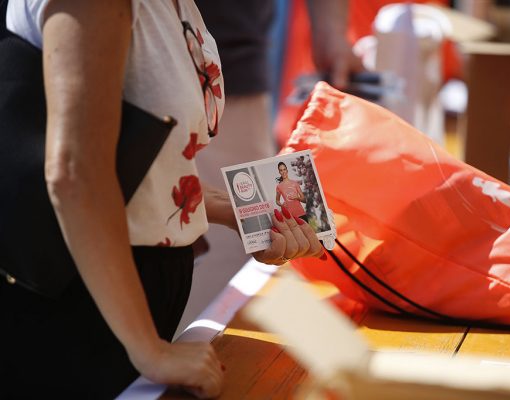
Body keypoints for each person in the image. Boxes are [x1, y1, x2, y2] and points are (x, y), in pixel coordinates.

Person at [0, 1, 324, 398]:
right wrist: (149, 350)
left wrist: (244, 211)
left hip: (116, 315)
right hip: (70, 319)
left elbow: (138, 162)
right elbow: (77, 174)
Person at [179, 0, 364, 335]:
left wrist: (331, 30)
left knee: (243, 255)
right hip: (167, 68)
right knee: (223, 262)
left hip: (230, 62)